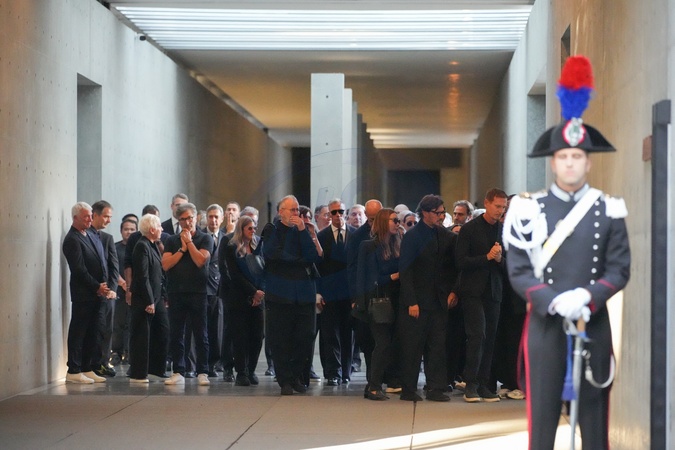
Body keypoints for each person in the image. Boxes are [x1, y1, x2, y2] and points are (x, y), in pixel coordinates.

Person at [504, 55, 630, 449]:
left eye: (577, 157)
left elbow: (619, 268)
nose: (570, 164)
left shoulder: (608, 208)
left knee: (594, 426)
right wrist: (553, 300)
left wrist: (587, 298)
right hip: (546, 325)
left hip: (592, 323)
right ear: (553, 162)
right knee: (541, 427)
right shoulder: (528, 209)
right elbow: (519, 269)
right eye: (563, 157)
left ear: (588, 162)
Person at [398, 194, 458, 402]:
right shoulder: (412, 236)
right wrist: (411, 301)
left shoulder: (445, 235)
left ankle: (435, 387)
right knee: (413, 347)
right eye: (437, 212)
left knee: (437, 346)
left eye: (442, 212)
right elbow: (405, 271)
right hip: (417, 301)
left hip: (438, 300)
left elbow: (451, 267)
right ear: (424, 212)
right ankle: (408, 389)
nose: (441, 216)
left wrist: (453, 291)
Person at [261, 195, 321, 395]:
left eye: (297, 210)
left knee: (305, 336)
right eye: (292, 210)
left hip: (303, 294)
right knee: (281, 338)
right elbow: (273, 254)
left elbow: (312, 256)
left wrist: (303, 231)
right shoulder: (272, 230)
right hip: (280, 294)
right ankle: (285, 380)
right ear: (281, 212)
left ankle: (296, 375)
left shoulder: (302, 231)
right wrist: (299, 260)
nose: (296, 213)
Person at [455, 188, 508, 403]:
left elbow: (510, 265)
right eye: (497, 206)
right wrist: (486, 257)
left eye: (503, 207)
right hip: (473, 291)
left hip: (494, 290)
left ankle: (485, 384)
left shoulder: (504, 230)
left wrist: (499, 259)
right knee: (477, 336)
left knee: (491, 338)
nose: (500, 211)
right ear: (486, 203)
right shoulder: (469, 229)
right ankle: (471, 384)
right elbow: (461, 261)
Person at [161, 202, 213, 386]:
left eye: (190, 218)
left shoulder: (205, 238)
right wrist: (182, 249)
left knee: (201, 333)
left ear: (196, 218)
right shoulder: (171, 240)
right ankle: (178, 371)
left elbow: (200, 260)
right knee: (177, 333)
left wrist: (189, 242)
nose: (187, 222)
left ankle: (203, 371)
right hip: (176, 292)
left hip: (198, 292)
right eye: (182, 219)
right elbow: (166, 264)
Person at [62, 202, 111, 383]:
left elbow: (100, 260)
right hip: (84, 294)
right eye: (86, 217)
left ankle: (86, 367)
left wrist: (103, 286)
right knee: (79, 331)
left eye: (91, 215)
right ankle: (74, 370)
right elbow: (79, 269)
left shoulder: (90, 234)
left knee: (93, 332)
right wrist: (96, 286)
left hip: (98, 293)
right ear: (75, 218)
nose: (90, 219)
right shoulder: (72, 239)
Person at [356, 208, 402, 400]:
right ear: (384, 222)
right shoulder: (368, 246)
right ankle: (374, 386)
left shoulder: (397, 244)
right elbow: (367, 277)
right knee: (382, 344)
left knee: (388, 345)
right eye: (394, 220)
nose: (398, 224)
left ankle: (373, 385)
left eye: (398, 220)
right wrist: (394, 276)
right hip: (377, 301)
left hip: (396, 300)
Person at [316, 199, 355, 385]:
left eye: (341, 211)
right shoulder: (322, 236)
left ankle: (346, 371)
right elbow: (317, 267)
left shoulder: (355, 235)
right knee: (330, 334)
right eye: (334, 212)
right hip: (329, 294)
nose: (338, 215)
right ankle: (333, 372)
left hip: (349, 294)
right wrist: (318, 293)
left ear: (345, 213)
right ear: (329, 215)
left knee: (348, 334)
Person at [223, 216, 265, 386]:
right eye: (250, 228)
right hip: (239, 298)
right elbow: (235, 275)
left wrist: (259, 293)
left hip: (258, 299)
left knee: (257, 336)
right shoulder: (232, 247)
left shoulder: (258, 246)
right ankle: (241, 372)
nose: (253, 231)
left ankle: (251, 369)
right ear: (241, 230)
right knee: (240, 337)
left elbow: (264, 270)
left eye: (254, 228)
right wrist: (253, 292)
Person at [128, 214, 169, 383]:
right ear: (152, 230)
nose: (162, 229)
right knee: (141, 336)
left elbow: (159, 274)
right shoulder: (141, 246)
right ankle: (138, 373)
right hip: (145, 299)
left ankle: (156, 369)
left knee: (162, 330)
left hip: (157, 297)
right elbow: (142, 277)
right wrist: (149, 300)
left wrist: (163, 296)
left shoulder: (153, 245)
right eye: (159, 226)